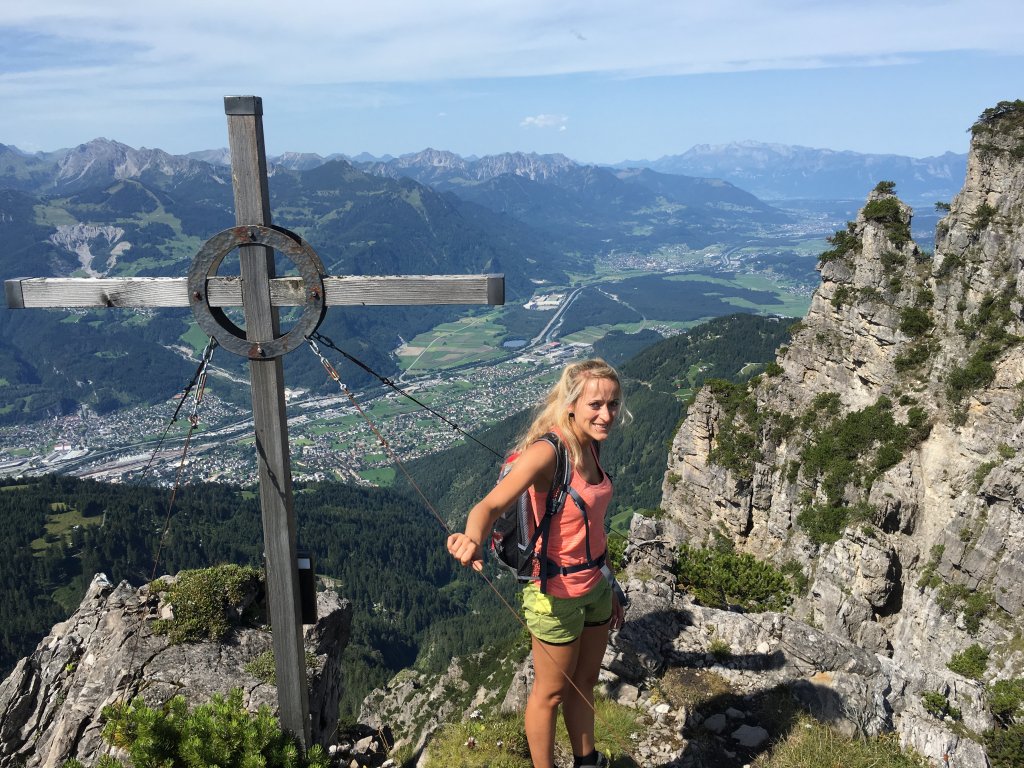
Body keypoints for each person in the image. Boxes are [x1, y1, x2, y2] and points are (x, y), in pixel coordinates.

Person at [447, 358, 627, 768]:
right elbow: (489, 505)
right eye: (596, 405)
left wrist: (611, 584)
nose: (606, 414)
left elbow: (592, 526)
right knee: (549, 694)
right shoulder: (549, 452)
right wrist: (471, 539)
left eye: (613, 404)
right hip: (556, 597)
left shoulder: (591, 445)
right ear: (571, 406)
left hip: (596, 588)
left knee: (584, 684)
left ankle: (587, 761)